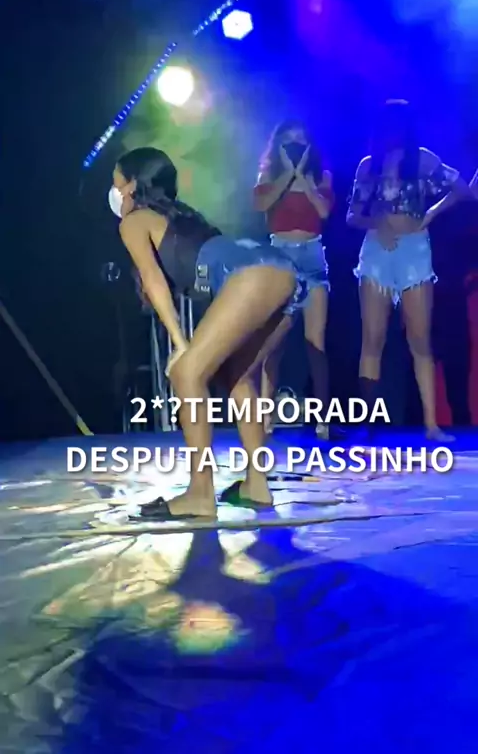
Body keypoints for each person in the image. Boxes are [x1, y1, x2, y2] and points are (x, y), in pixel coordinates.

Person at [108, 147, 308, 520]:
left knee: (186, 373)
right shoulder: (184, 217)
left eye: (116, 182)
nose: (114, 192)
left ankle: (200, 493)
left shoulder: (134, 221)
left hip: (251, 275)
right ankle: (256, 486)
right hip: (283, 272)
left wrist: (181, 345)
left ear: (132, 186)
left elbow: (154, 282)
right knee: (237, 377)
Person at [347, 99, 470, 440]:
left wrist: (429, 214)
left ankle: (431, 425)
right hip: (377, 251)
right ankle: (367, 424)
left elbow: (461, 190)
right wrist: (377, 223)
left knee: (420, 339)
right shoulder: (369, 166)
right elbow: (352, 215)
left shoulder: (423, 160)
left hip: (414, 251)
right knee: (373, 339)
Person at [254, 120, 334, 438]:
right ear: (279, 146)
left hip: (312, 255)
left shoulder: (321, 176)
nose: (296, 146)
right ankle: (265, 418)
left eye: (301, 140)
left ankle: (323, 419)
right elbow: (261, 204)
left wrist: (302, 175)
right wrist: (287, 173)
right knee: (274, 342)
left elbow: (324, 212)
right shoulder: (268, 175)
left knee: (316, 343)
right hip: (280, 257)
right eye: (289, 141)